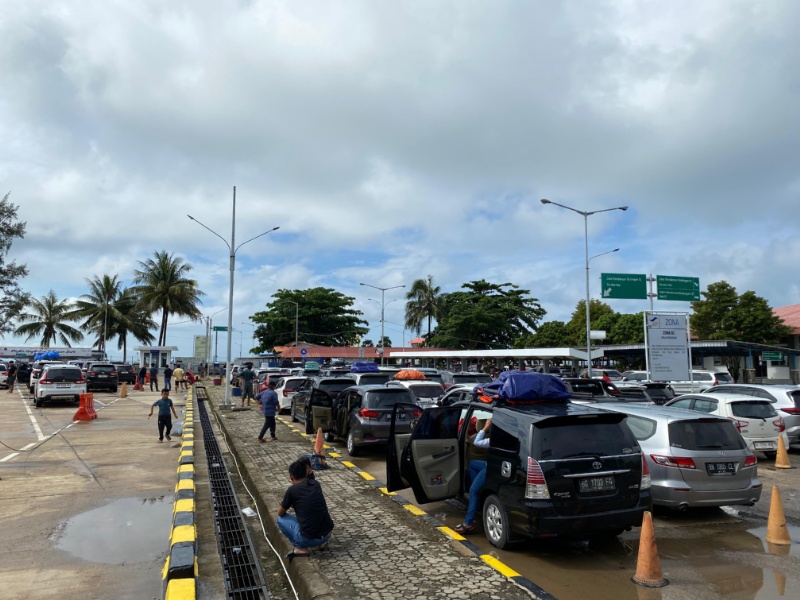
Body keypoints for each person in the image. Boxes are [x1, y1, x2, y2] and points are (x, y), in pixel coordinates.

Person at [277, 459, 334, 560]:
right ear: (306, 473)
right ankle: (322, 543)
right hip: (327, 534)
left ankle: (300, 548)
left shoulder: (292, 490)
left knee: (280, 519)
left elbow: (280, 512)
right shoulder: (316, 484)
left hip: (308, 539)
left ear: (291, 478)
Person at [454, 418, 492, 534]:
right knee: (473, 464)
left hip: (491, 467)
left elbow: (476, 442)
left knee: (473, 490)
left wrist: (485, 428)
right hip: (488, 464)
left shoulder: (494, 440)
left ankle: (468, 523)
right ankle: (475, 500)